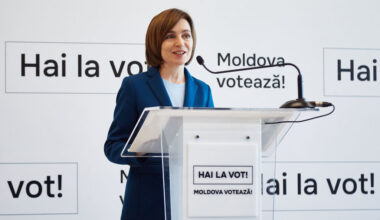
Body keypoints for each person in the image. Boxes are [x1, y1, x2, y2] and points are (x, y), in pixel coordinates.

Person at [104, 8, 214, 220]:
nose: (180, 43)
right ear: (156, 42)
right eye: (170, 36)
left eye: (186, 35)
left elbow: (207, 142)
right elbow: (113, 146)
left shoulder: (203, 90)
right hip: (147, 200)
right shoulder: (134, 87)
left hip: (192, 200)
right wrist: (139, 150)